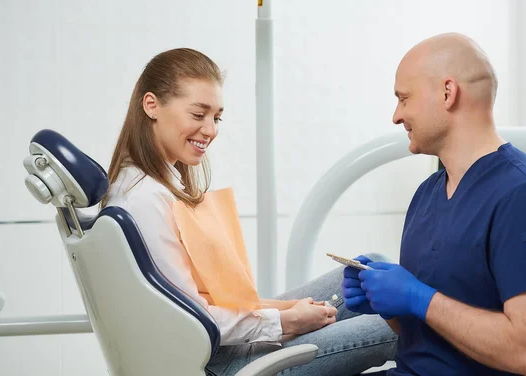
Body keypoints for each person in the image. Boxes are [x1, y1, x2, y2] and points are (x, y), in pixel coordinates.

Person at [102, 47, 397, 376]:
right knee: (392, 329)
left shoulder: (151, 186)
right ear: (151, 105)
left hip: (225, 344)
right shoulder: (145, 200)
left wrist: (286, 313)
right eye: (198, 115)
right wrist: (285, 320)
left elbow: (197, 300)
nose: (211, 130)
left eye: (216, 117)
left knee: (371, 269)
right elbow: (190, 320)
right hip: (223, 361)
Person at [342, 33, 526, 375]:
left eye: (404, 98)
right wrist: (388, 306)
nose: (396, 116)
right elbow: (430, 338)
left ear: (447, 92)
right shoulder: (427, 194)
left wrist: (419, 298)